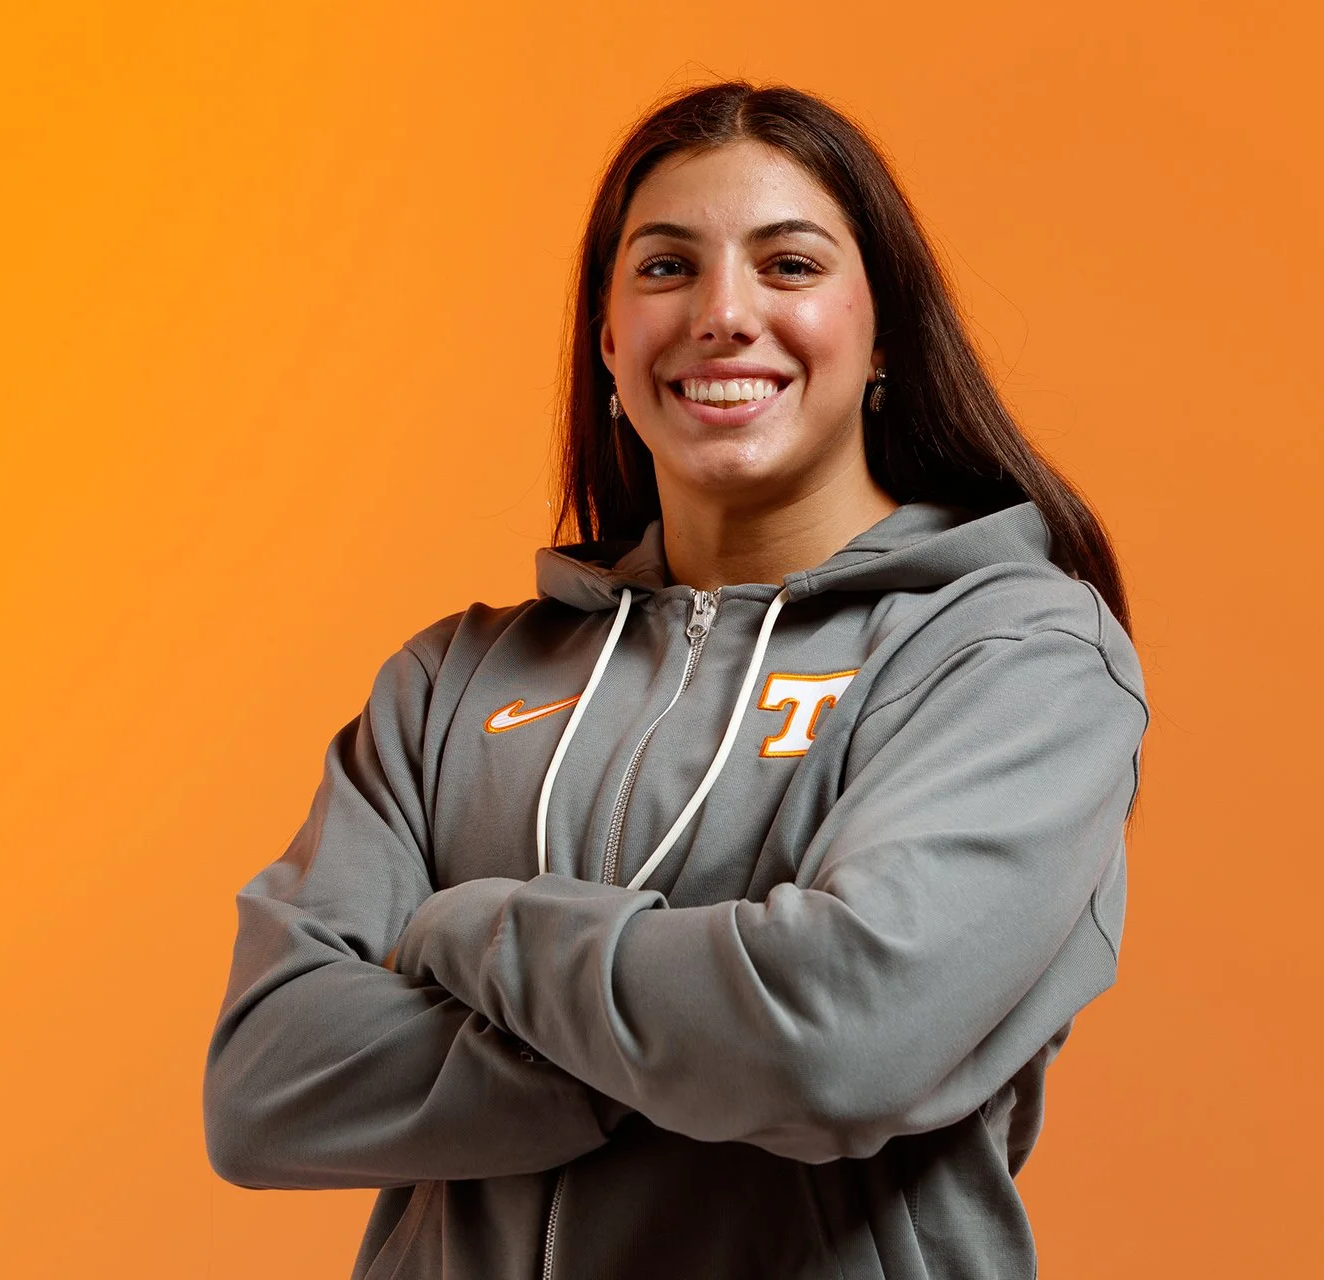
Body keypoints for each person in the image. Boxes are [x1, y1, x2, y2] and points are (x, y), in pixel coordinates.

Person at [205, 80, 1150, 1280]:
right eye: (665, 268)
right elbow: (268, 1080)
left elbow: (834, 1037)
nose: (723, 314)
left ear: (883, 335)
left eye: (789, 265)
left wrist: (471, 927)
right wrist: (707, 1045)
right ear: (608, 341)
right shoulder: (450, 683)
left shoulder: (1010, 654)